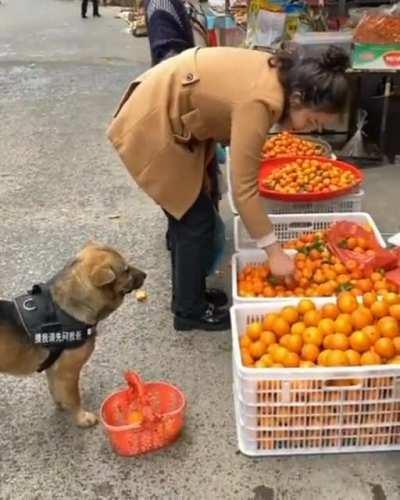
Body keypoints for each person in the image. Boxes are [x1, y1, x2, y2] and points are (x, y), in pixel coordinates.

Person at [107, 46, 350, 331]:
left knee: (191, 214)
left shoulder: (280, 76)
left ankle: (190, 294)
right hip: (152, 121)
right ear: (297, 97)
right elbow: (244, 190)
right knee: (193, 220)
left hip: (172, 112)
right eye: (311, 121)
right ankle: (189, 311)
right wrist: (275, 253)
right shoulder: (261, 101)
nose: (309, 130)